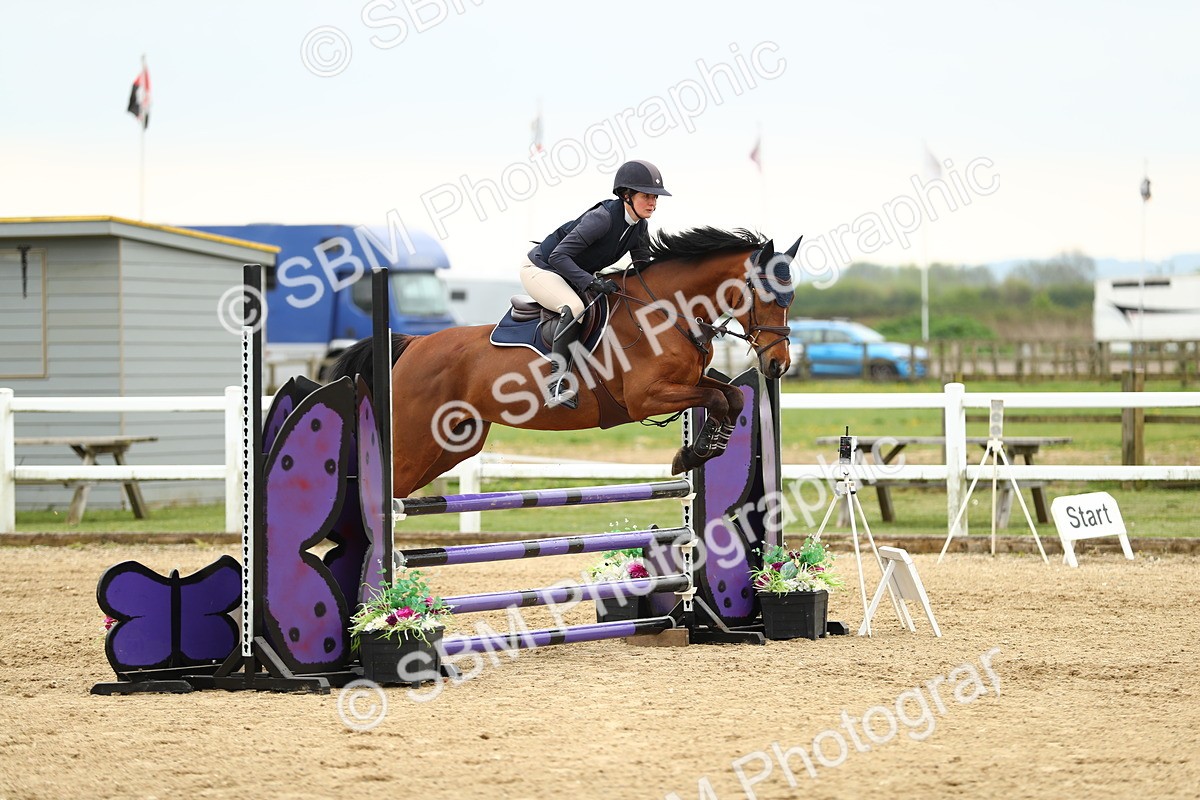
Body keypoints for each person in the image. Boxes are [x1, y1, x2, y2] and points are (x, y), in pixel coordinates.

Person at [522, 159, 671, 408]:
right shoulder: (602, 219)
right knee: (575, 308)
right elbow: (559, 256)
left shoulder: (639, 227)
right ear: (626, 195)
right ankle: (555, 384)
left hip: (569, 274)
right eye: (647, 196)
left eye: (656, 198)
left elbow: (643, 270)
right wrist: (591, 281)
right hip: (542, 269)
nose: (653, 203)